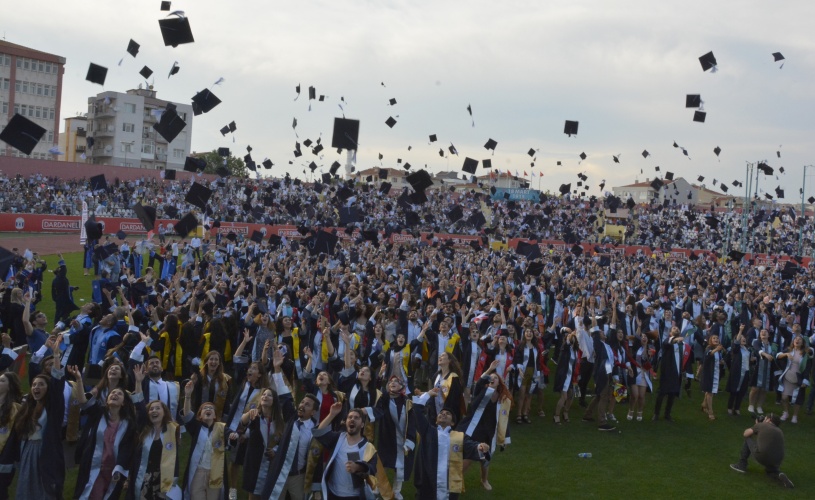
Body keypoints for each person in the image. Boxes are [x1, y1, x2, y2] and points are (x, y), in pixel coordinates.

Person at [69, 364, 141, 500]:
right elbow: (83, 401)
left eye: (119, 394)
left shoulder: (128, 424)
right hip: (93, 465)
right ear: (107, 400)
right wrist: (79, 379)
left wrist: (121, 467)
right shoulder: (98, 413)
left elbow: (127, 448)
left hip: (114, 469)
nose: (114, 394)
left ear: (124, 402)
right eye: (112, 393)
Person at [12, 333, 67, 499]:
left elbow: (58, 381)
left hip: (46, 452)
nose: (36, 387)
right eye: (34, 385)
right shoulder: (28, 407)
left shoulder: (53, 405)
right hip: (28, 451)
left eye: (41, 384)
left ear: (48, 388)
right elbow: (33, 365)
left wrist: (56, 354)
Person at [262, 347, 319, 500]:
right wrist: (276, 368)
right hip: (280, 472)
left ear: (313, 412)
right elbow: (284, 396)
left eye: (307, 405)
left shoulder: (315, 430)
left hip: (298, 477)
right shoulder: (292, 418)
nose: (301, 405)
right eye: (302, 402)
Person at [412, 389, 490, 500]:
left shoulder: (458, 437)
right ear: (436, 420)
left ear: (452, 422)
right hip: (428, 482)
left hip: (450, 485)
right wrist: (427, 394)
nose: (443, 414)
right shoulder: (428, 431)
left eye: (447, 414)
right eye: (441, 413)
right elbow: (416, 409)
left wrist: (480, 447)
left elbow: (471, 446)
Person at [457, 359, 512, 492]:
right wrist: (489, 370)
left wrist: (504, 438)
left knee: (485, 459)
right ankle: (456, 479)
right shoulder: (482, 391)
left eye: (495, 378)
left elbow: (504, 419)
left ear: (499, 382)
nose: (492, 379)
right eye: (490, 378)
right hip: (471, 428)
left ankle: (484, 479)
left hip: (488, 431)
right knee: (469, 456)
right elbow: (480, 382)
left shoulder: (503, 400)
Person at [311, 402, 378, 500]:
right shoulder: (338, 438)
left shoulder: (368, 447)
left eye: (356, 417)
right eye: (350, 417)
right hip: (332, 493)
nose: (352, 419)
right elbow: (319, 434)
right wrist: (332, 414)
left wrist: (358, 467)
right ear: (346, 422)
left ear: (362, 424)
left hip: (353, 496)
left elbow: (372, 469)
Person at [179, 380, 229, 500]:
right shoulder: (196, 427)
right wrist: (187, 396)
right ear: (200, 415)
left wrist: (233, 437)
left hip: (215, 472)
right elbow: (186, 415)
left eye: (211, 408)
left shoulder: (221, 428)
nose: (208, 409)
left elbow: (231, 437)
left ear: (215, 415)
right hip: (198, 471)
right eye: (205, 408)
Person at [730, 414, 794, 488]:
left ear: (769, 420)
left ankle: (741, 465)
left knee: (747, 438)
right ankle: (779, 474)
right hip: (778, 460)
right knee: (771, 472)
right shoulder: (780, 431)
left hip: (763, 456)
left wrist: (756, 425)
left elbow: (745, 433)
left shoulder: (761, 425)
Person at [653, 325, 691, 422]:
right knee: (662, 393)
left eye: (677, 328)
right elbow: (668, 343)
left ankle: (667, 414)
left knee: (672, 394)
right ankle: (656, 414)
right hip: (667, 372)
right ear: (670, 333)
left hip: (677, 373)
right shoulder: (667, 340)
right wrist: (676, 339)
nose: (676, 329)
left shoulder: (683, 344)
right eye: (674, 328)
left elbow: (685, 359)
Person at [776, 334, 811, 424]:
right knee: (784, 397)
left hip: (799, 378)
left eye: (800, 339)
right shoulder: (789, 350)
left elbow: (808, 368)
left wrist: (805, 380)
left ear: (803, 343)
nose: (797, 340)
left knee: (797, 398)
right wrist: (786, 354)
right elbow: (778, 356)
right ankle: (786, 412)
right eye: (796, 339)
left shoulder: (806, 354)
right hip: (787, 376)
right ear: (793, 341)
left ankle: (795, 416)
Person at [0, 372, 23, 499]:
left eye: (2, 381)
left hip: (4, 457)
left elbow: (16, 437)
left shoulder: (16, 409)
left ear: (10, 386)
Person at [701, 333, 726, 421]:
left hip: (715, 372)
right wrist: (716, 349)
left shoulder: (718, 351)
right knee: (710, 392)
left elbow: (716, 359)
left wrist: (721, 361)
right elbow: (708, 355)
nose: (716, 339)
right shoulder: (709, 348)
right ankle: (710, 412)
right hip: (709, 373)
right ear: (710, 340)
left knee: (710, 391)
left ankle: (704, 404)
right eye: (714, 338)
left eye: (717, 338)